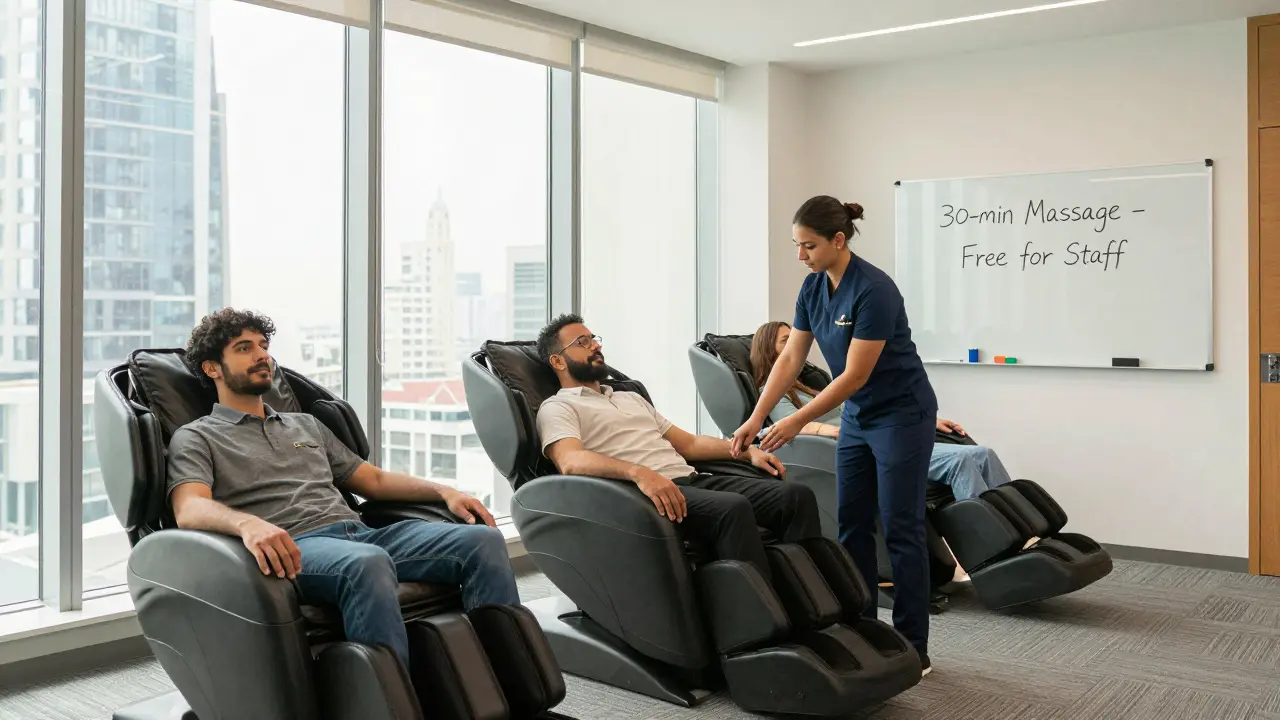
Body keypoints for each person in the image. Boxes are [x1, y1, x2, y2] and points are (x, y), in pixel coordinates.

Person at [165, 308, 521, 673]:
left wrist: (444, 491)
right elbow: (189, 507)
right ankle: (391, 704)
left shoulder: (305, 424)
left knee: (483, 541)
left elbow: (373, 481)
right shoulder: (197, 436)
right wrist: (247, 525)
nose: (262, 355)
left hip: (362, 534)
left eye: (264, 345)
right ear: (212, 368)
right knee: (366, 564)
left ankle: (501, 678)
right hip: (297, 549)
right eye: (244, 348)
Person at [731, 197, 938, 677]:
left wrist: (797, 421)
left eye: (808, 245)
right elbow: (789, 359)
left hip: (902, 416)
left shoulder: (875, 291)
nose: (800, 255)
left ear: (838, 241)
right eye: (796, 245)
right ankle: (863, 627)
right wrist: (756, 416)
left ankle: (913, 645)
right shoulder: (811, 287)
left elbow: (855, 375)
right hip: (860, 421)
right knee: (851, 526)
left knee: (902, 528)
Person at [534, 313, 822, 584]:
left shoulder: (628, 398)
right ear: (558, 361)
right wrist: (638, 473)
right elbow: (570, 461)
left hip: (692, 481)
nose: (595, 346)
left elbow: (690, 444)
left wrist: (747, 452)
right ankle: (761, 615)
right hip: (646, 498)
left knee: (795, 497)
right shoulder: (558, 406)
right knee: (732, 509)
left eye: (594, 339)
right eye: (582, 343)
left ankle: (808, 593)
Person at [749, 320, 1015, 502]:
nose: (797, 345)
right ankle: (990, 542)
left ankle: (1022, 527)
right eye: (787, 341)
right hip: (859, 448)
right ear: (768, 350)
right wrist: (834, 430)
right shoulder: (771, 392)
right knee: (961, 461)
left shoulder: (811, 384)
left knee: (983, 454)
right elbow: (786, 425)